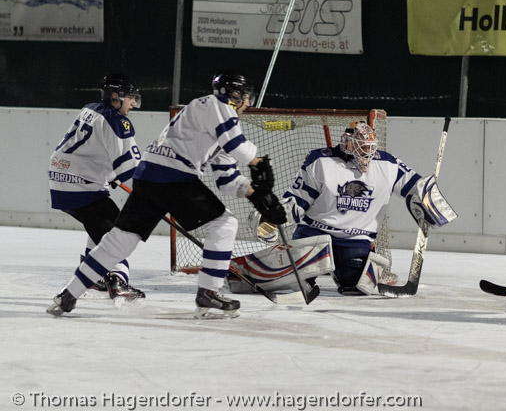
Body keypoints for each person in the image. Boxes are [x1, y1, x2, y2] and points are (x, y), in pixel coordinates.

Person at [47, 70, 287, 318]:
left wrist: (257, 196)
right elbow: (238, 146)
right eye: (246, 97)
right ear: (235, 95)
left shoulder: (219, 124)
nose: (248, 103)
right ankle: (209, 292)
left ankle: (68, 295)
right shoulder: (215, 105)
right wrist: (258, 163)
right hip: (173, 177)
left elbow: (227, 179)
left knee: (119, 241)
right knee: (225, 224)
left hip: (148, 176)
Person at [246, 120, 456, 295]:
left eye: (370, 148)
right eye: (361, 147)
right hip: (315, 234)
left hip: (356, 239)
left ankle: (343, 268)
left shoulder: (388, 164)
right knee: (298, 283)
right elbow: (298, 199)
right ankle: (263, 271)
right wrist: (274, 218)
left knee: (356, 285)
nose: (367, 153)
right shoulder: (321, 161)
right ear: (347, 143)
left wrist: (427, 201)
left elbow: (415, 186)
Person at [48, 73, 145, 302]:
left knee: (99, 224)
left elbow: (91, 149)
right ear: (115, 96)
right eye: (130, 97)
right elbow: (132, 170)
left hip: (60, 177)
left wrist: (109, 174)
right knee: (118, 233)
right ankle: (117, 280)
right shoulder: (118, 122)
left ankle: (93, 274)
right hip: (81, 185)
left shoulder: (90, 108)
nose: (133, 103)